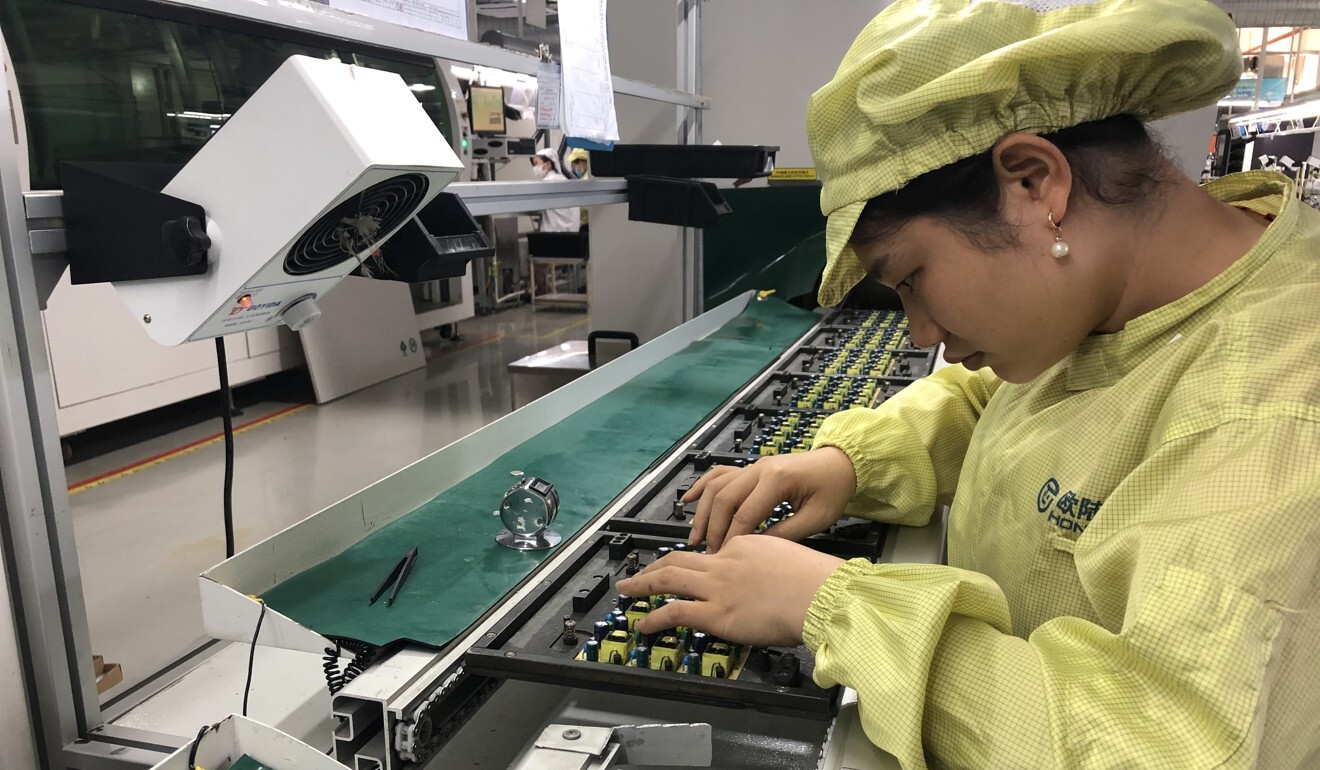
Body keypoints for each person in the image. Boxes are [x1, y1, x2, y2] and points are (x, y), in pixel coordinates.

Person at [618, 1, 1320, 767]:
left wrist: (835, 608)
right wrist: (852, 463)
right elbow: (1009, 399)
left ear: (1033, 181)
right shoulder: (1132, 297)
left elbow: (1152, 746)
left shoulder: (1270, 412)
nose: (919, 334)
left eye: (912, 277)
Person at [529, 148, 580, 232]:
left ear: (548, 164)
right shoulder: (562, 179)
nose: (535, 168)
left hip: (555, 235)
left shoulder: (547, 183)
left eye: (536, 163)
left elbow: (532, 204)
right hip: (572, 235)